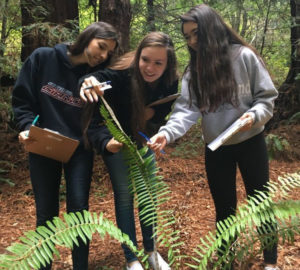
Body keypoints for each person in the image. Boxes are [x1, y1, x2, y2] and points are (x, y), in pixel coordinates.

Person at [147, 4, 279, 270]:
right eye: (187, 37)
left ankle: (270, 262)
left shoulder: (244, 57)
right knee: (225, 209)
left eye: (197, 34)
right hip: (216, 148)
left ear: (212, 29)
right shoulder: (193, 72)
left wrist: (253, 116)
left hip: (251, 142)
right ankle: (227, 261)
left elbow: (266, 99)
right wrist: (165, 133)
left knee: (261, 202)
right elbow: (185, 111)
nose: (192, 42)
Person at [12, 22, 119, 270]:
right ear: (88, 37)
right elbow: (22, 99)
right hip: (43, 144)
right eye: (101, 46)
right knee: (45, 214)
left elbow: (98, 120)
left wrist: (106, 141)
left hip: (79, 151)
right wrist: (26, 127)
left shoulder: (96, 80)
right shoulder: (43, 58)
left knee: (79, 214)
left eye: (108, 52)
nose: (102, 55)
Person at [80, 32, 178, 270]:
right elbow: (96, 79)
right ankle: (132, 258)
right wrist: (89, 82)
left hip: (143, 144)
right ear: (138, 57)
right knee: (125, 198)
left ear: (168, 64)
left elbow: (162, 114)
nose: (150, 68)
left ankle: (152, 251)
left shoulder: (170, 82)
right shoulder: (122, 76)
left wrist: (153, 121)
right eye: (145, 60)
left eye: (158, 63)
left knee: (149, 197)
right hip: (117, 145)